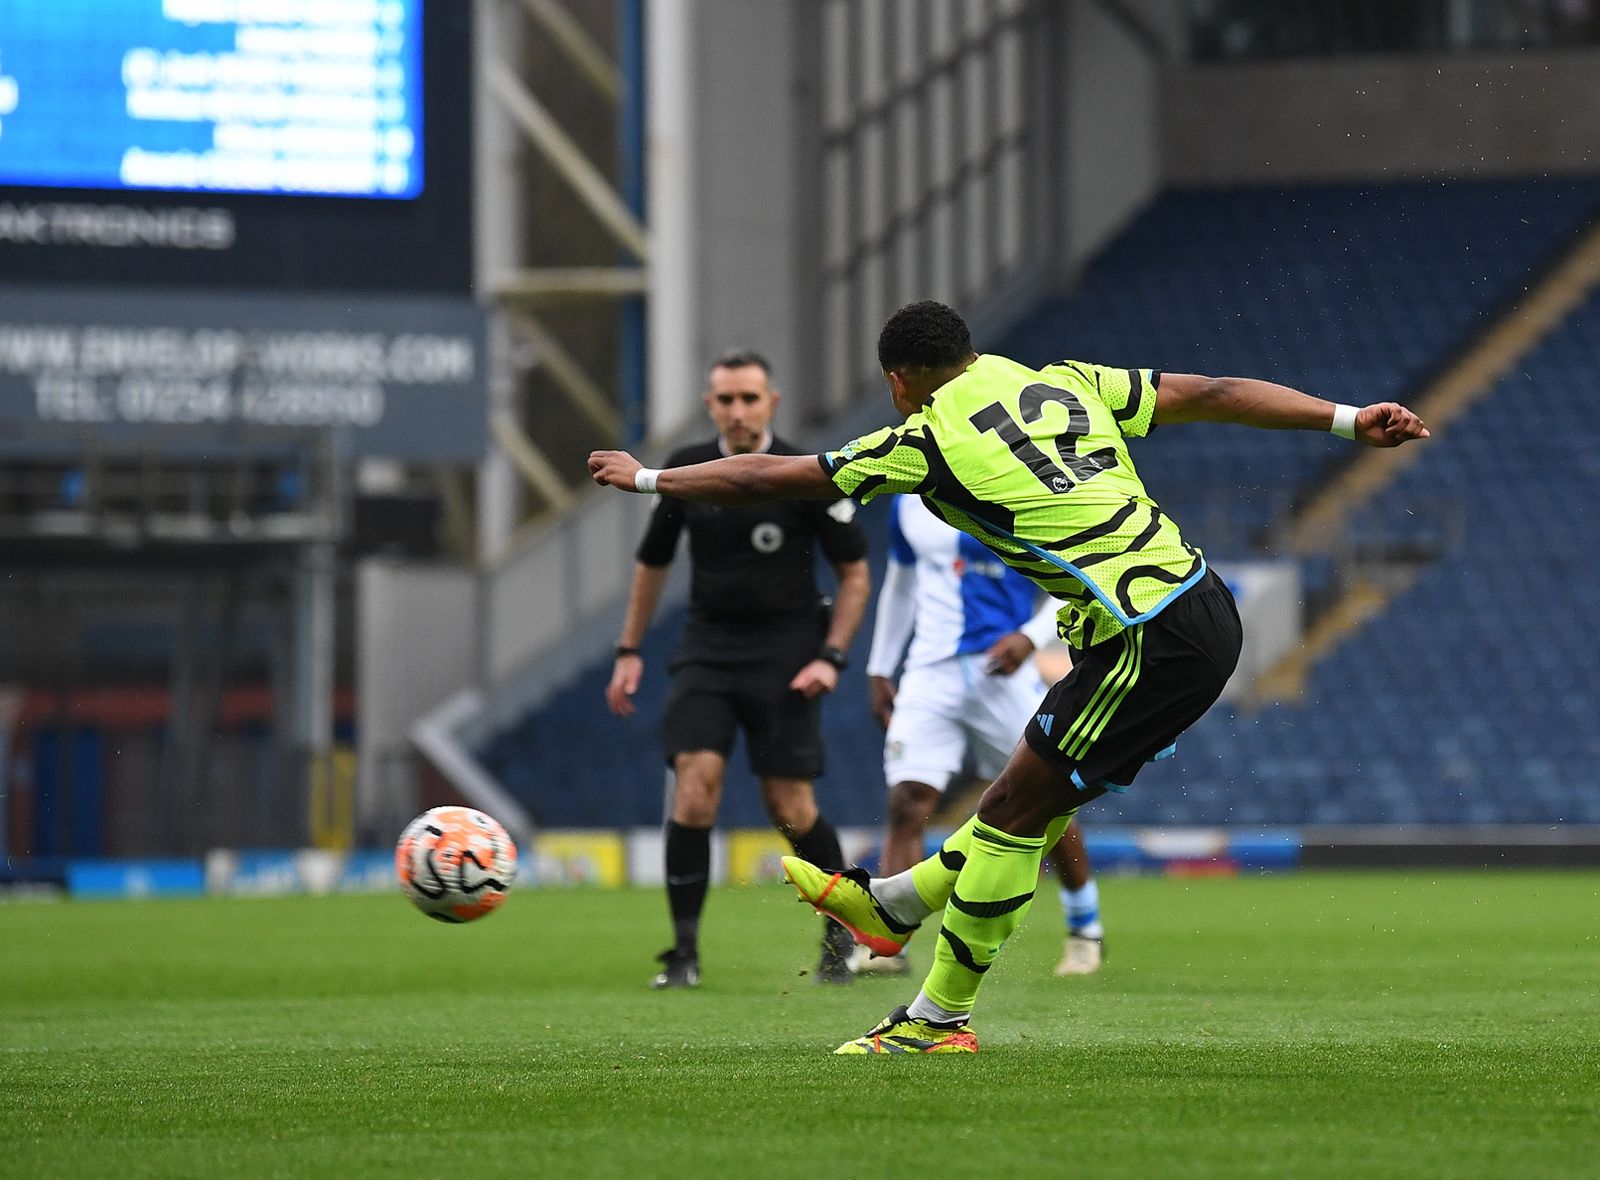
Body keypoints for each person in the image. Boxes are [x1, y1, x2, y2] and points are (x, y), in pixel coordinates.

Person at [589, 300, 1428, 1050]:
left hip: (1151, 633)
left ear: (899, 382)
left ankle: (933, 1017)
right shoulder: (1064, 382)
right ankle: (891, 910)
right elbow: (1211, 391)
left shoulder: (926, 438)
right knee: (1015, 807)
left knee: (1017, 813)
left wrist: (651, 478)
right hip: (1175, 605)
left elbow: (772, 477)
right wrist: (1350, 420)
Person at [605, 349, 871, 989]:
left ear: (771, 402)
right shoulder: (684, 470)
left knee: (790, 806)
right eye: (726, 399)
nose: (738, 410)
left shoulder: (804, 471)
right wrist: (628, 651)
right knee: (695, 789)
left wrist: (831, 657)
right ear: (710, 406)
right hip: (707, 651)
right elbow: (652, 563)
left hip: (788, 655)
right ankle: (684, 953)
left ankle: (843, 931)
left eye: (750, 397)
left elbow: (855, 572)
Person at [861, 492, 1105, 977]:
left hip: (1004, 671)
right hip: (929, 672)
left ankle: (1085, 931)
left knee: (1046, 802)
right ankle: (890, 944)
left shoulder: (1009, 482)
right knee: (907, 800)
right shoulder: (907, 498)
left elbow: (1074, 574)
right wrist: (880, 665)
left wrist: (1033, 637)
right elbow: (901, 584)